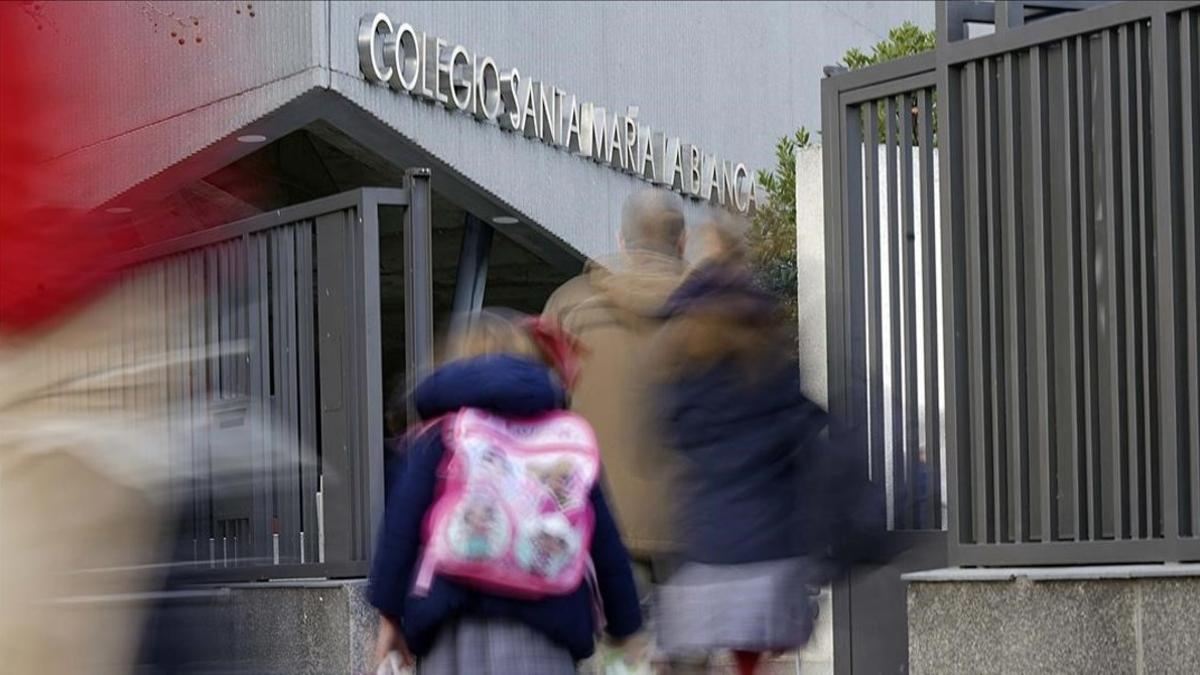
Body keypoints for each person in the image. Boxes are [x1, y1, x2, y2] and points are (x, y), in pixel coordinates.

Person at [649, 217, 869, 675]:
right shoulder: (765, 357)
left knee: (719, 658)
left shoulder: (680, 363)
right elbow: (804, 436)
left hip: (707, 546)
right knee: (755, 660)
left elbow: (661, 438)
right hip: (768, 549)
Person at [367, 310, 643, 674]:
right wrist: (625, 628)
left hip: (452, 629)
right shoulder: (563, 441)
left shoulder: (441, 434)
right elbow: (605, 544)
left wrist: (389, 616)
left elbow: (400, 530)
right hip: (548, 627)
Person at [542, 189, 688, 666]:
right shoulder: (718, 310)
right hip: (696, 528)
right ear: (683, 242)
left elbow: (540, 415)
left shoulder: (568, 306)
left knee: (614, 659)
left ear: (622, 242)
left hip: (602, 527)